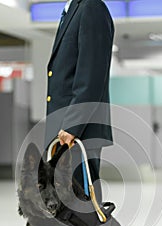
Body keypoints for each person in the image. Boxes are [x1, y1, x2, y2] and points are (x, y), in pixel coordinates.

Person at [45, 0, 114, 201]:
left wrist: (72, 126)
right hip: (65, 130)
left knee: (82, 205)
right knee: (66, 205)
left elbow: (91, 75)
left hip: (77, 131)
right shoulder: (73, 10)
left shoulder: (91, 8)